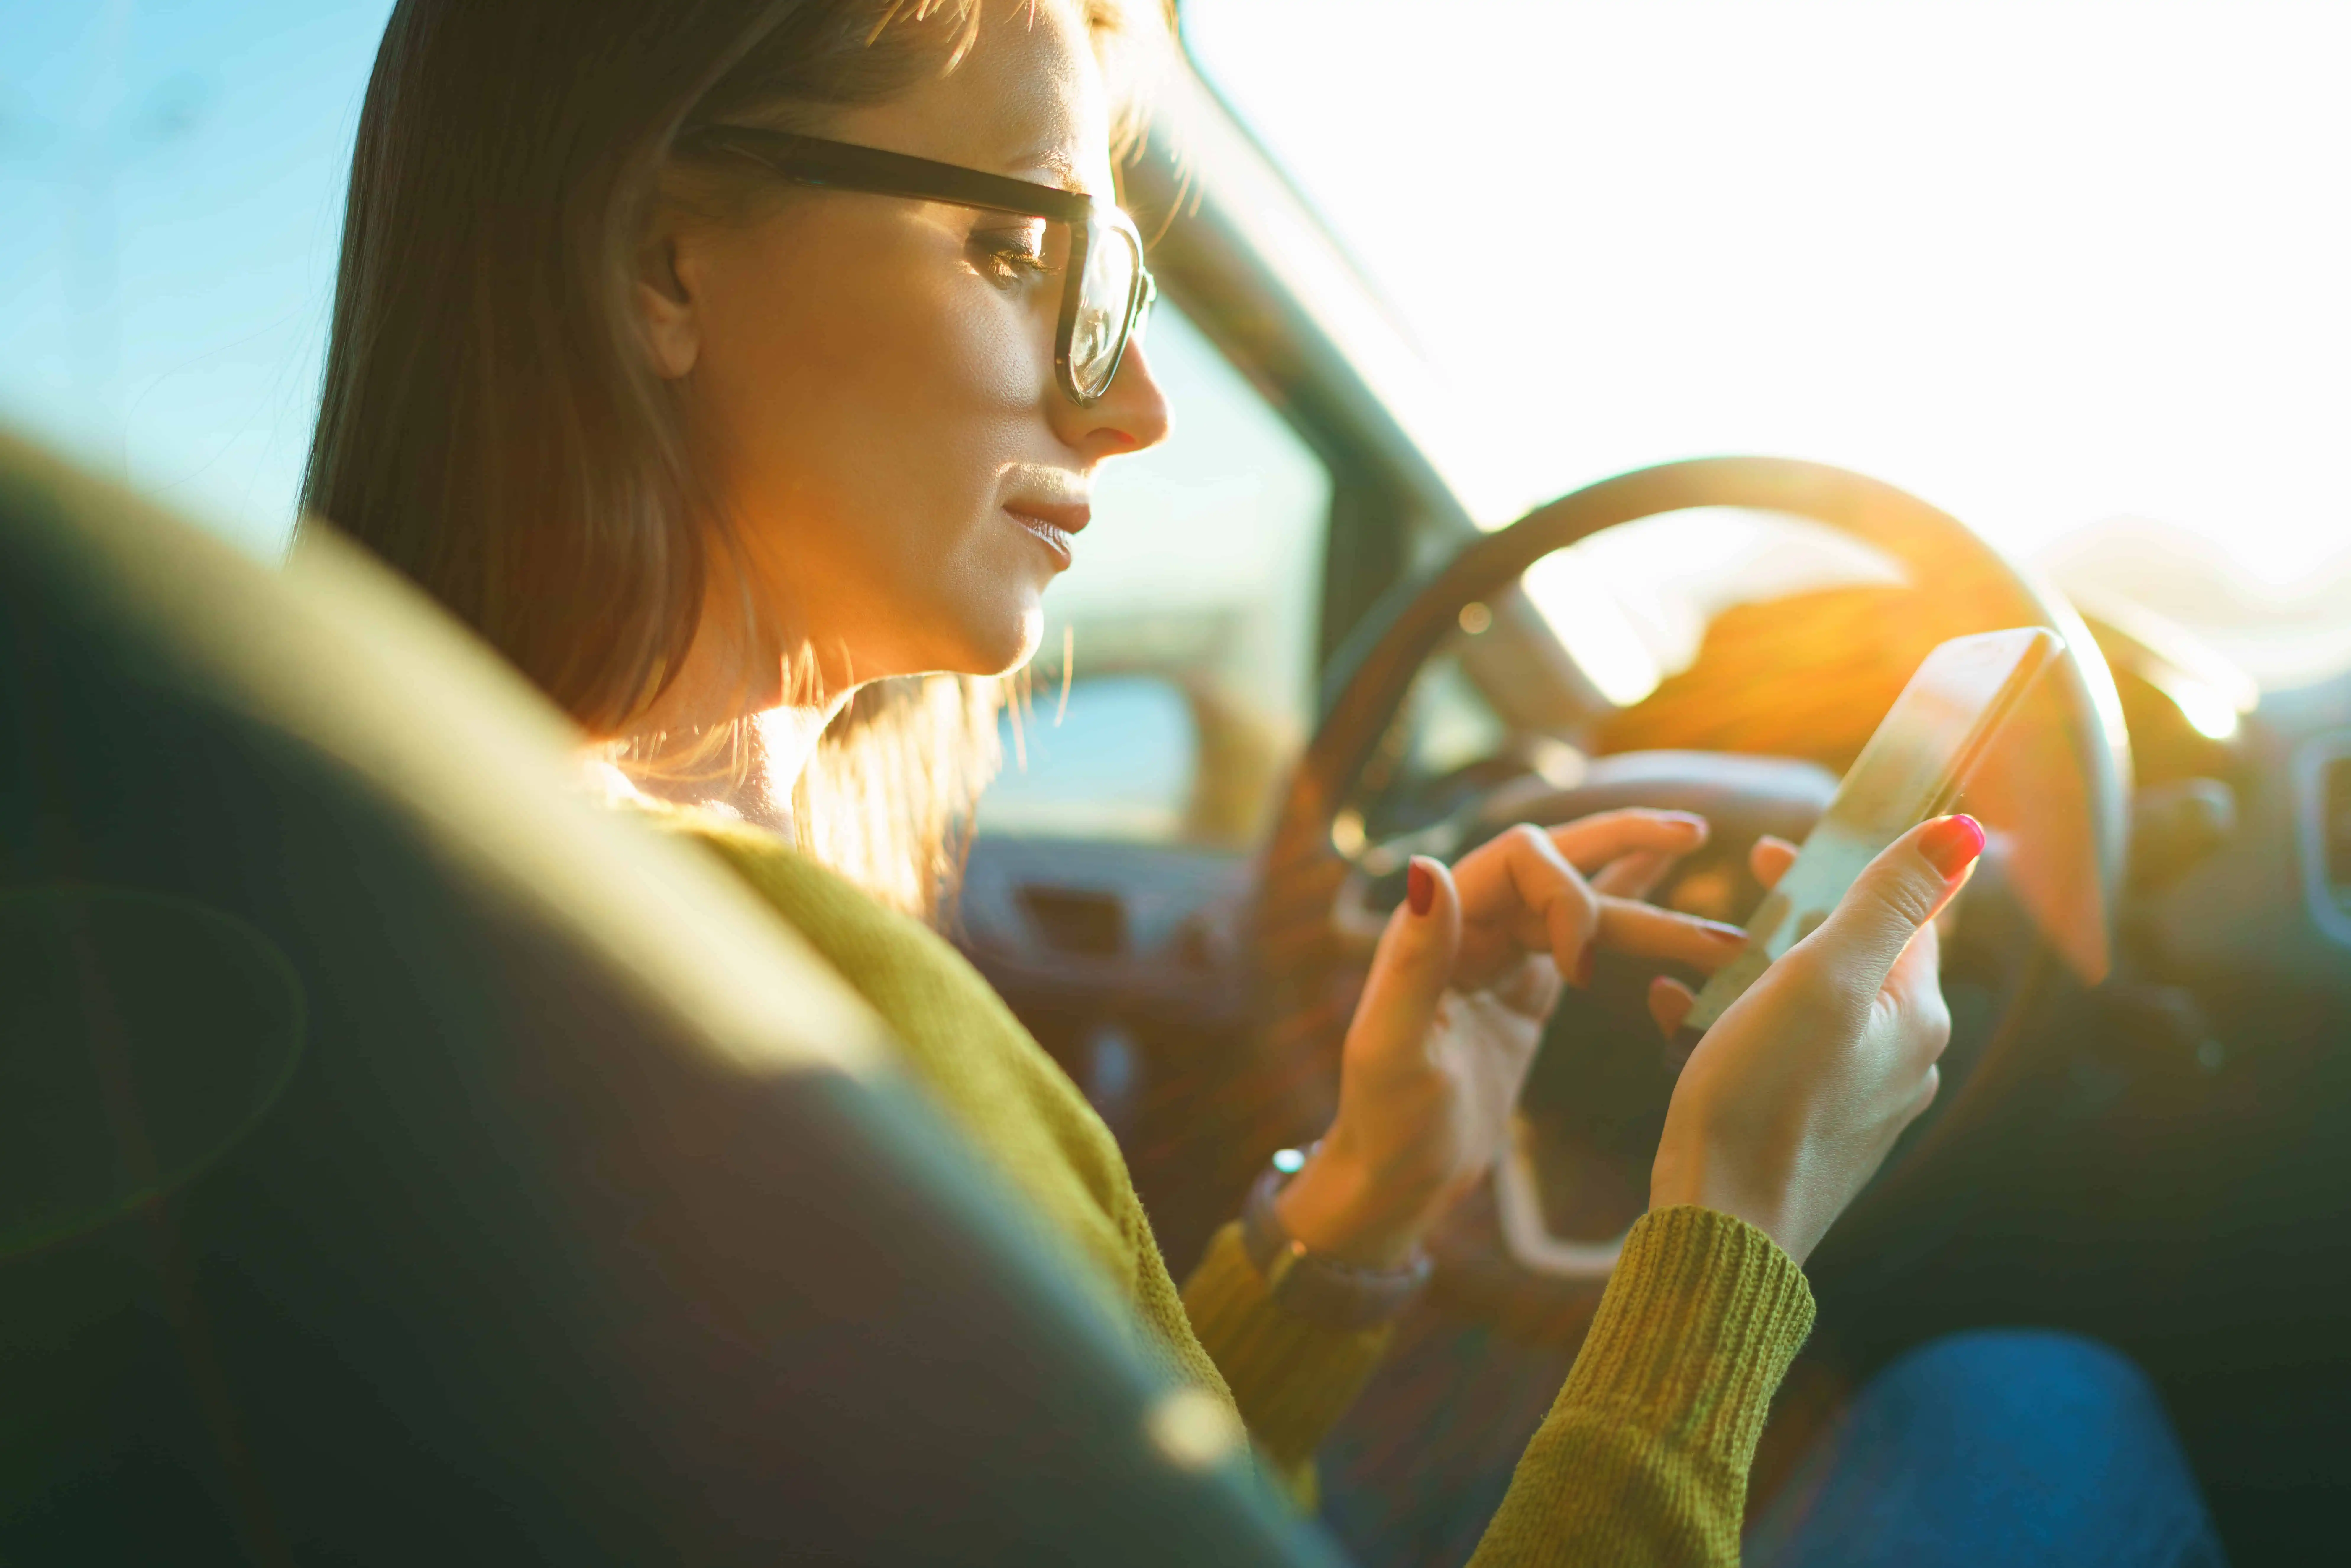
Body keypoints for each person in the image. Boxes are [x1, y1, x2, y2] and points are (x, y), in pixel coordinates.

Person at [298, 2, 2224, 1562]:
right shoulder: (763, 992)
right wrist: (1736, 1216)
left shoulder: (395, 899)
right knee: (2042, 1406)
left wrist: (1363, 1206)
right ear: (658, 256)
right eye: (1030, 250)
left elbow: (1040, 1498)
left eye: (1117, 283)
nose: (1130, 405)